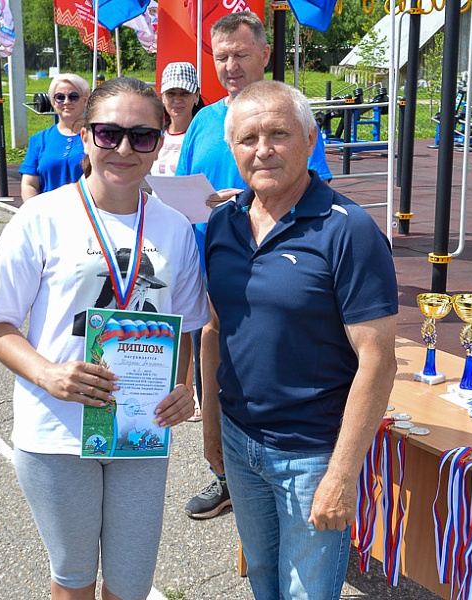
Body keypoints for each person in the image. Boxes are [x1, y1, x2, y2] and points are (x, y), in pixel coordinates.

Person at [0, 76, 210, 600]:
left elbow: (187, 325)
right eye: (108, 134)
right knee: (74, 579)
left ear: (159, 144)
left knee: (130, 584)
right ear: (85, 136)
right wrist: (47, 374)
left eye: (141, 136)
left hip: (139, 430)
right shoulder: (41, 217)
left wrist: (182, 385)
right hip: (57, 430)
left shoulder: (174, 228)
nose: (124, 149)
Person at [201, 80, 398, 599]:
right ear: (233, 149)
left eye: (278, 134)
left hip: (311, 455)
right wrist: (213, 427)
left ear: (310, 139)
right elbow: (215, 330)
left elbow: (378, 361)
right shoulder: (222, 223)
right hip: (240, 441)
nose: (263, 150)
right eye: (248, 139)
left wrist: (342, 474)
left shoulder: (349, 230)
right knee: (263, 580)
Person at [178, 10, 333, 521]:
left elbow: (315, 185)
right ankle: (225, 471)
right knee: (214, 361)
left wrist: (246, 199)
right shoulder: (204, 120)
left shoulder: (289, 113)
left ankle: (283, 473)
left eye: (241, 55)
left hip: (272, 265)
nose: (230, 66)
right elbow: (184, 184)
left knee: (263, 366)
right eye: (221, 57)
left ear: (264, 54)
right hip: (212, 260)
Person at [150, 61, 204, 421]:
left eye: (184, 93)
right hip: (158, 235)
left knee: (194, 316)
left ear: (196, 95)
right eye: (171, 93)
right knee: (163, 308)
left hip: (196, 233)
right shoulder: (153, 135)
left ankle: (194, 389)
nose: (177, 100)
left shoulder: (200, 133)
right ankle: (162, 383)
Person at [19, 73, 90, 201]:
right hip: (47, 211)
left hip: (87, 210)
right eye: (60, 97)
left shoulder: (98, 137)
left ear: (85, 100)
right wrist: (34, 210)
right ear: (53, 102)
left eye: (73, 97)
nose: (66, 102)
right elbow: (29, 184)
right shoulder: (39, 140)